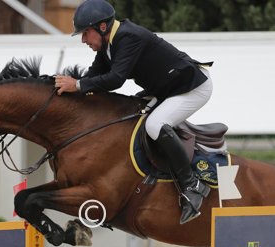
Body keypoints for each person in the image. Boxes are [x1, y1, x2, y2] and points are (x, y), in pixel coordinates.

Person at [54, 0, 214, 224]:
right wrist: (67, 90)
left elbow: (115, 79)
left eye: (85, 33)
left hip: (192, 88)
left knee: (155, 125)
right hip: (168, 88)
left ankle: (192, 186)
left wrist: (78, 85)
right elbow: (93, 75)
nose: (83, 40)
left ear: (102, 27)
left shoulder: (129, 37)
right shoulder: (108, 44)